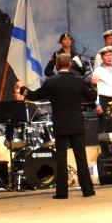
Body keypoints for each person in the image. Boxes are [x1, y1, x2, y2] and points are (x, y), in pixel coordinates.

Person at [30, 53, 97, 199]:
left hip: (60, 124)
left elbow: (34, 96)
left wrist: (22, 88)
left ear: (56, 65)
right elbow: (92, 98)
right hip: (76, 123)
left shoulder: (50, 81)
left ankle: (61, 193)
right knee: (81, 157)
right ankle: (87, 190)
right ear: (70, 65)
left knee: (61, 158)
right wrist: (94, 84)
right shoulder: (79, 80)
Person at [91, 45, 112, 115]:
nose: (109, 57)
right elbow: (94, 89)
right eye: (106, 55)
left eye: (110, 55)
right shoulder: (98, 70)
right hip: (104, 101)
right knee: (105, 121)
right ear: (102, 57)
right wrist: (97, 104)